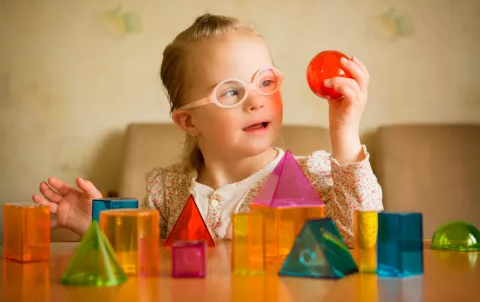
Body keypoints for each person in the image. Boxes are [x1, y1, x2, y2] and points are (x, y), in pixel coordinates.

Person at [33, 13, 383, 247]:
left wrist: (344, 131)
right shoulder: (165, 189)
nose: (255, 101)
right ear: (189, 121)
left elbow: (362, 235)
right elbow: (147, 260)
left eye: (265, 81)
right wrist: (98, 227)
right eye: (231, 91)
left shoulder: (315, 174)